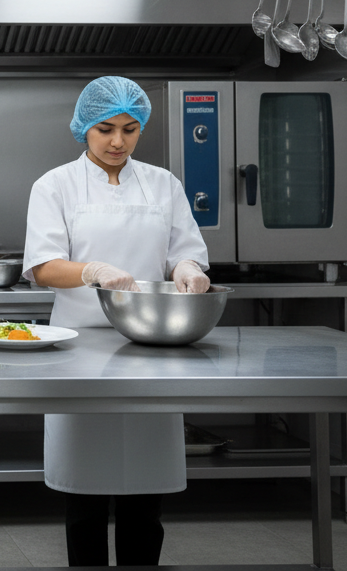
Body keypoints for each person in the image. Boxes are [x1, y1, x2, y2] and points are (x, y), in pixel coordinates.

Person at [22, 76, 210, 567]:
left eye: (130, 129)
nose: (117, 142)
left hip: (150, 350)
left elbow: (184, 252)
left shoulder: (163, 183)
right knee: (83, 497)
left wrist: (188, 268)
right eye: (105, 129)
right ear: (84, 127)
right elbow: (43, 267)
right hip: (80, 350)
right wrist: (91, 270)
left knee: (145, 500)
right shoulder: (55, 184)